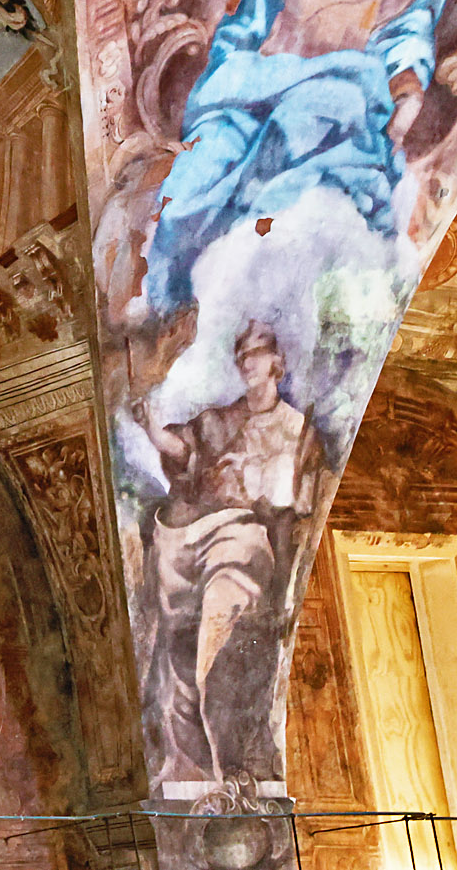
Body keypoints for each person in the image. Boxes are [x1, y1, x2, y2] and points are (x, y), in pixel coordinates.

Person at [138, 0, 450, 318]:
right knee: (196, 170)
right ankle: (170, 301)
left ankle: (244, 301)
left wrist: (402, 97)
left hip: (338, 100)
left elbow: (405, 47)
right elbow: (238, 35)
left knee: (309, 120)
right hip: (251, 98)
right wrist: (250, 75)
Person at [139, 321, 321, 783]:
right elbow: (182, 450)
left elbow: (298, 510)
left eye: (255, 353)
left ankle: (232, 762)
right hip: (193, 539)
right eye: (241, 355)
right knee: (177, 658)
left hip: (245, 539)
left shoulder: (299, 430)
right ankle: (194, 760)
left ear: (276, 362)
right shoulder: (220, 420)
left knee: (215, 640)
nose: (247, 362)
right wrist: (150, 428)